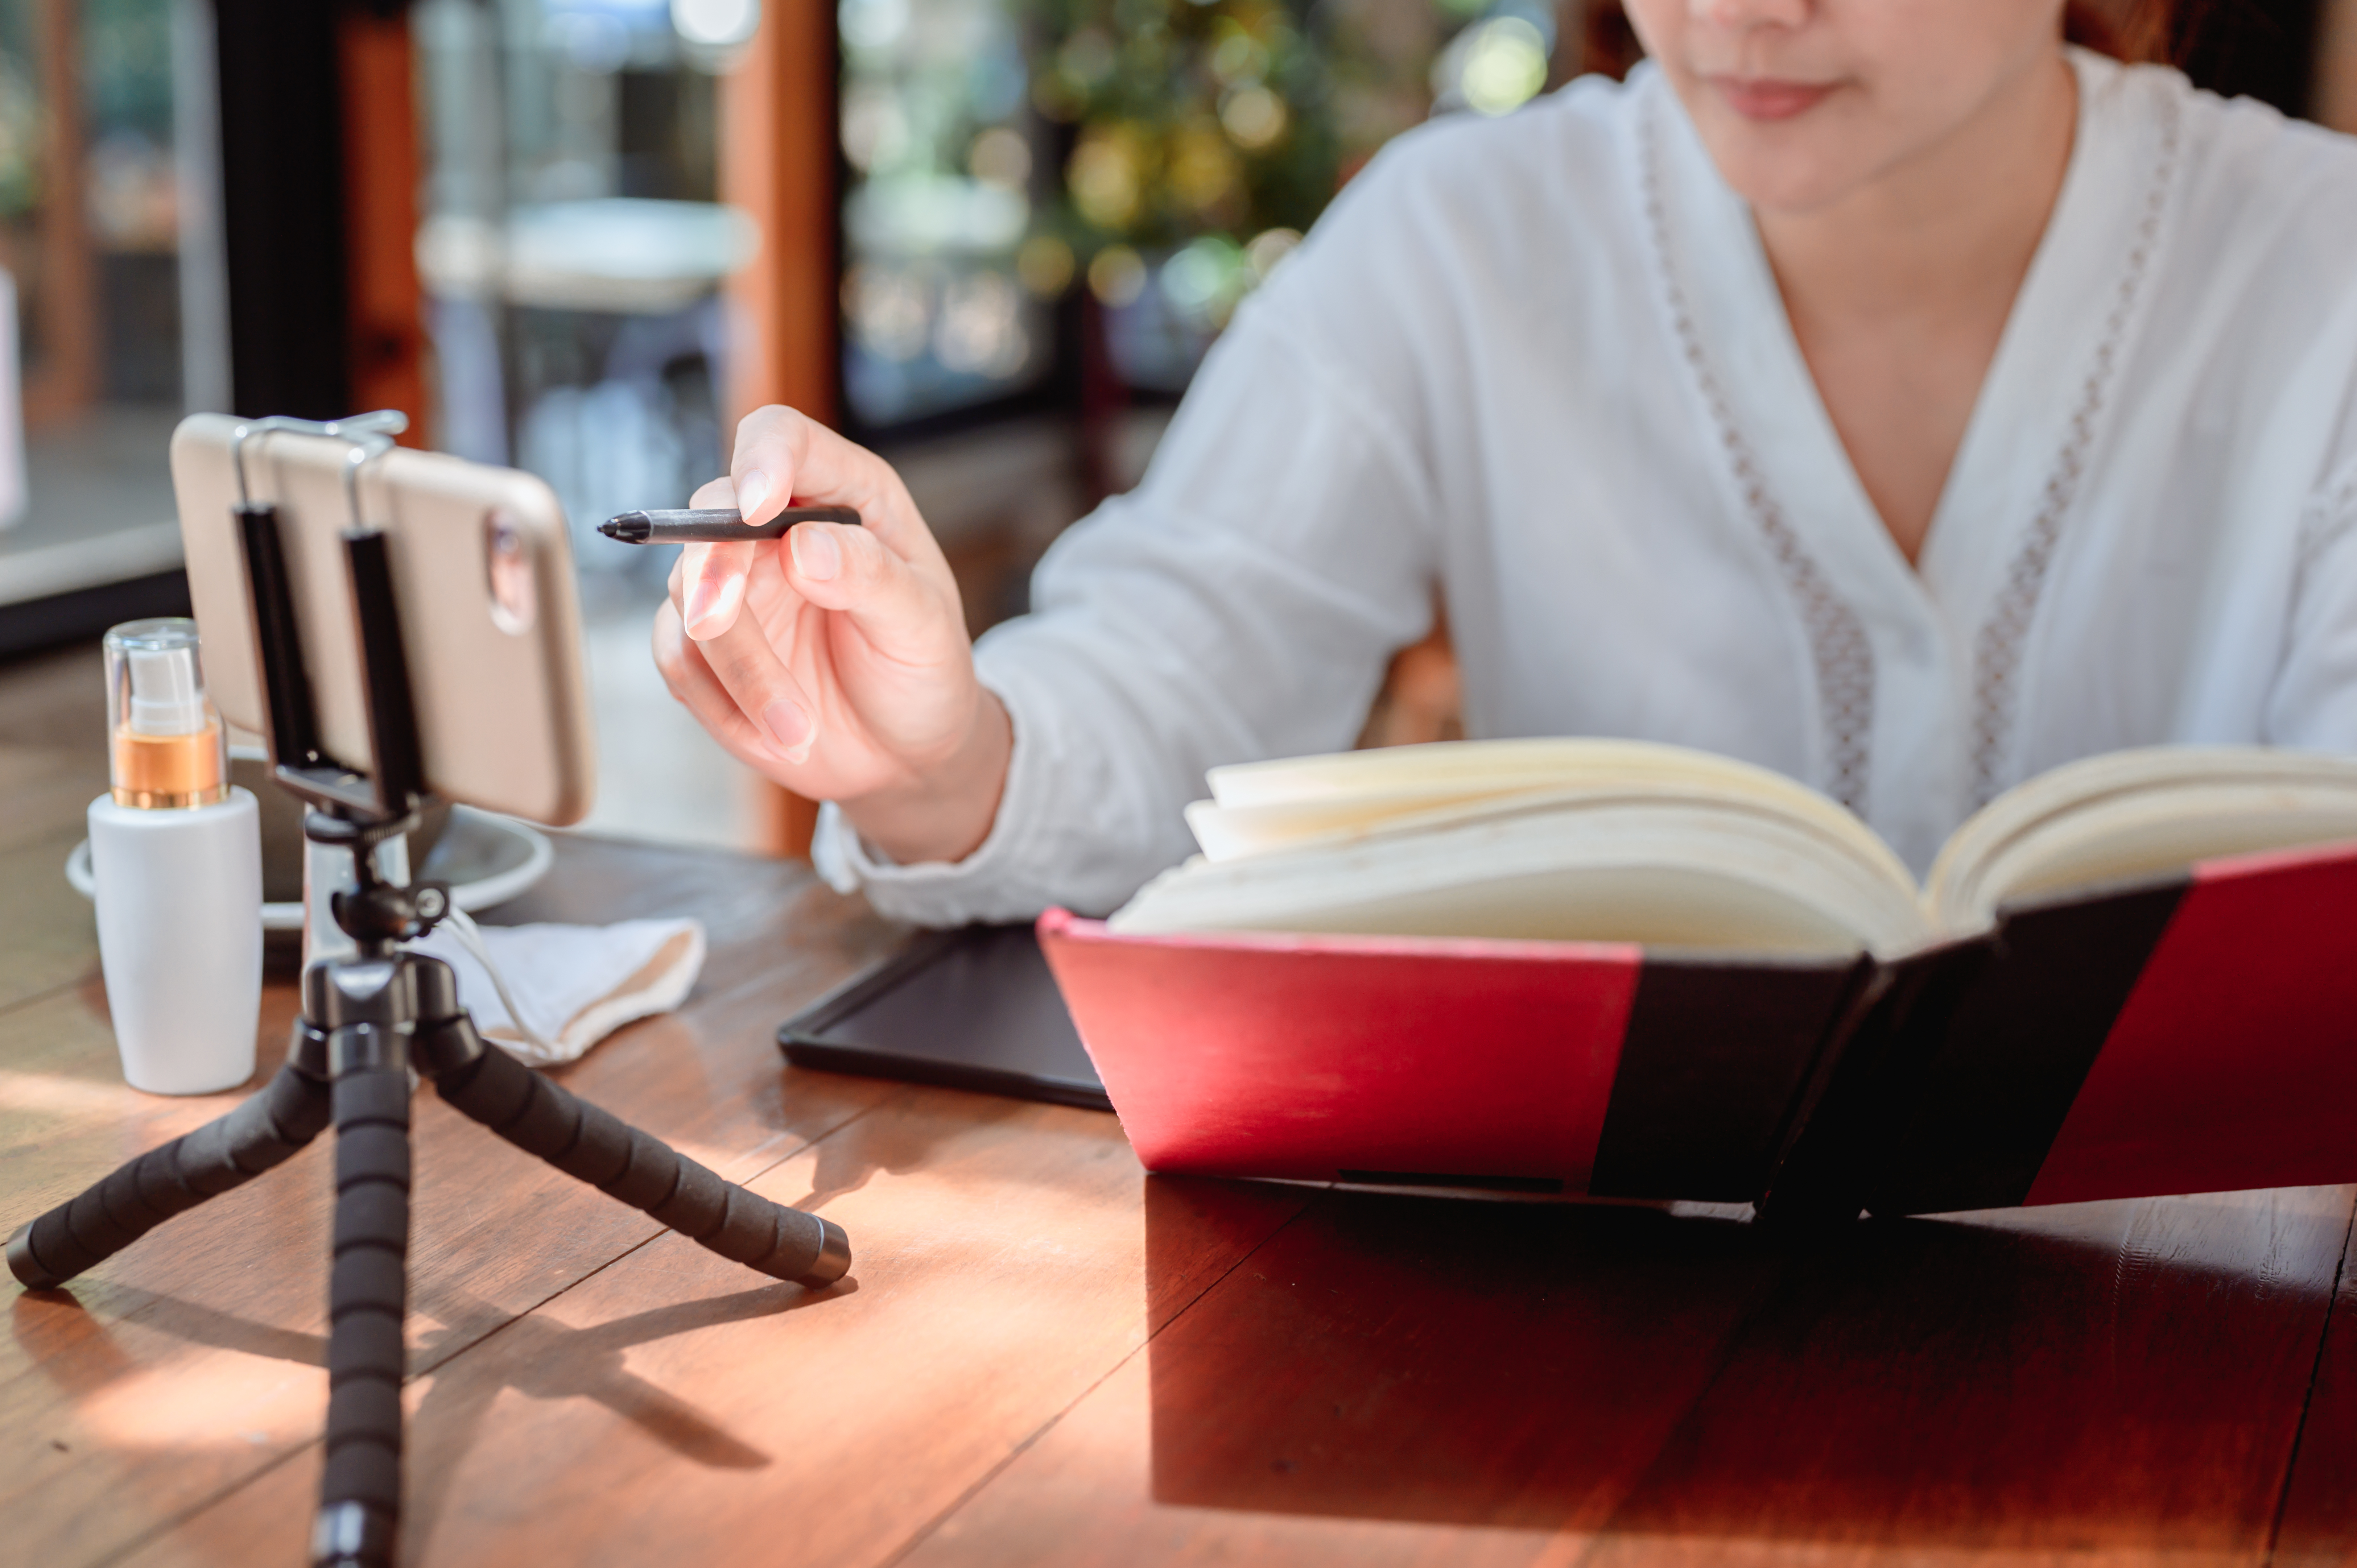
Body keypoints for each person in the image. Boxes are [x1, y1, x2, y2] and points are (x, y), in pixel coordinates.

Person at [653, 0, 2357, 925]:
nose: (1746, 11)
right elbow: (1182, 656)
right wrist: (941, 748)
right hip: (1578, 1335)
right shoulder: (1461, 237)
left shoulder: (2317, 276)